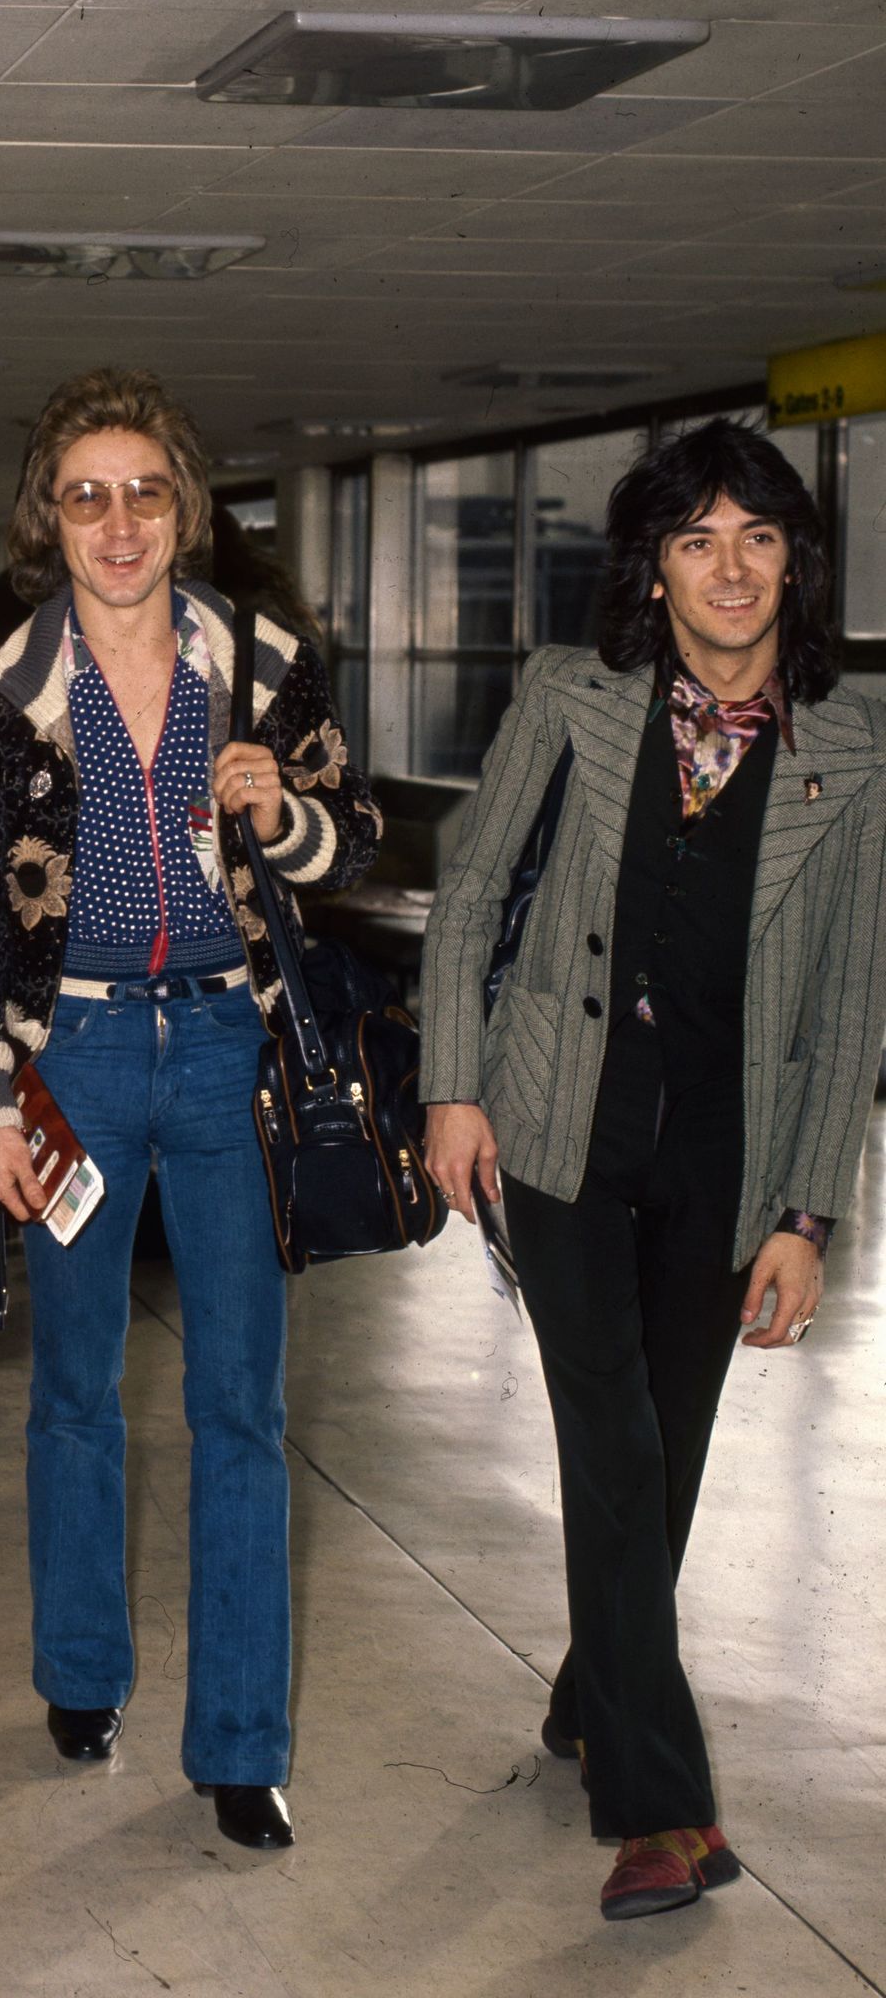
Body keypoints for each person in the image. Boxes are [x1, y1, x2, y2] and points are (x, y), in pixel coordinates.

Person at [419, 419, 886, 1920]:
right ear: (657, 566)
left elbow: (852, 1005)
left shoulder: (856, 749)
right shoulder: (575, 697)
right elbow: (475, 885)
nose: (730, 566)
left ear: (794, 563)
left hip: (726, 1166)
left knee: (661, 1471)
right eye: (697, 539)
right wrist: (452, 1091)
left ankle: (586, 1692)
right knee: (615, 1454)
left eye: (757, 536)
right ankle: (660, 1810)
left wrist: (808, 1216)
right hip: (559, 1137)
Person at [0, 367, 380, 1848]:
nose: (120, 525)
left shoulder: (264, 661)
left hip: (230, 1057)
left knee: (241, 1401)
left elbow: (348, 837)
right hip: (82, 1065)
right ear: (48, 524)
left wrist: (281, 815)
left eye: (147, 493)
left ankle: (241, 1749)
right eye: (87, 497)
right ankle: (79, 1668)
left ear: (186, 507)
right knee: (76, 1391)